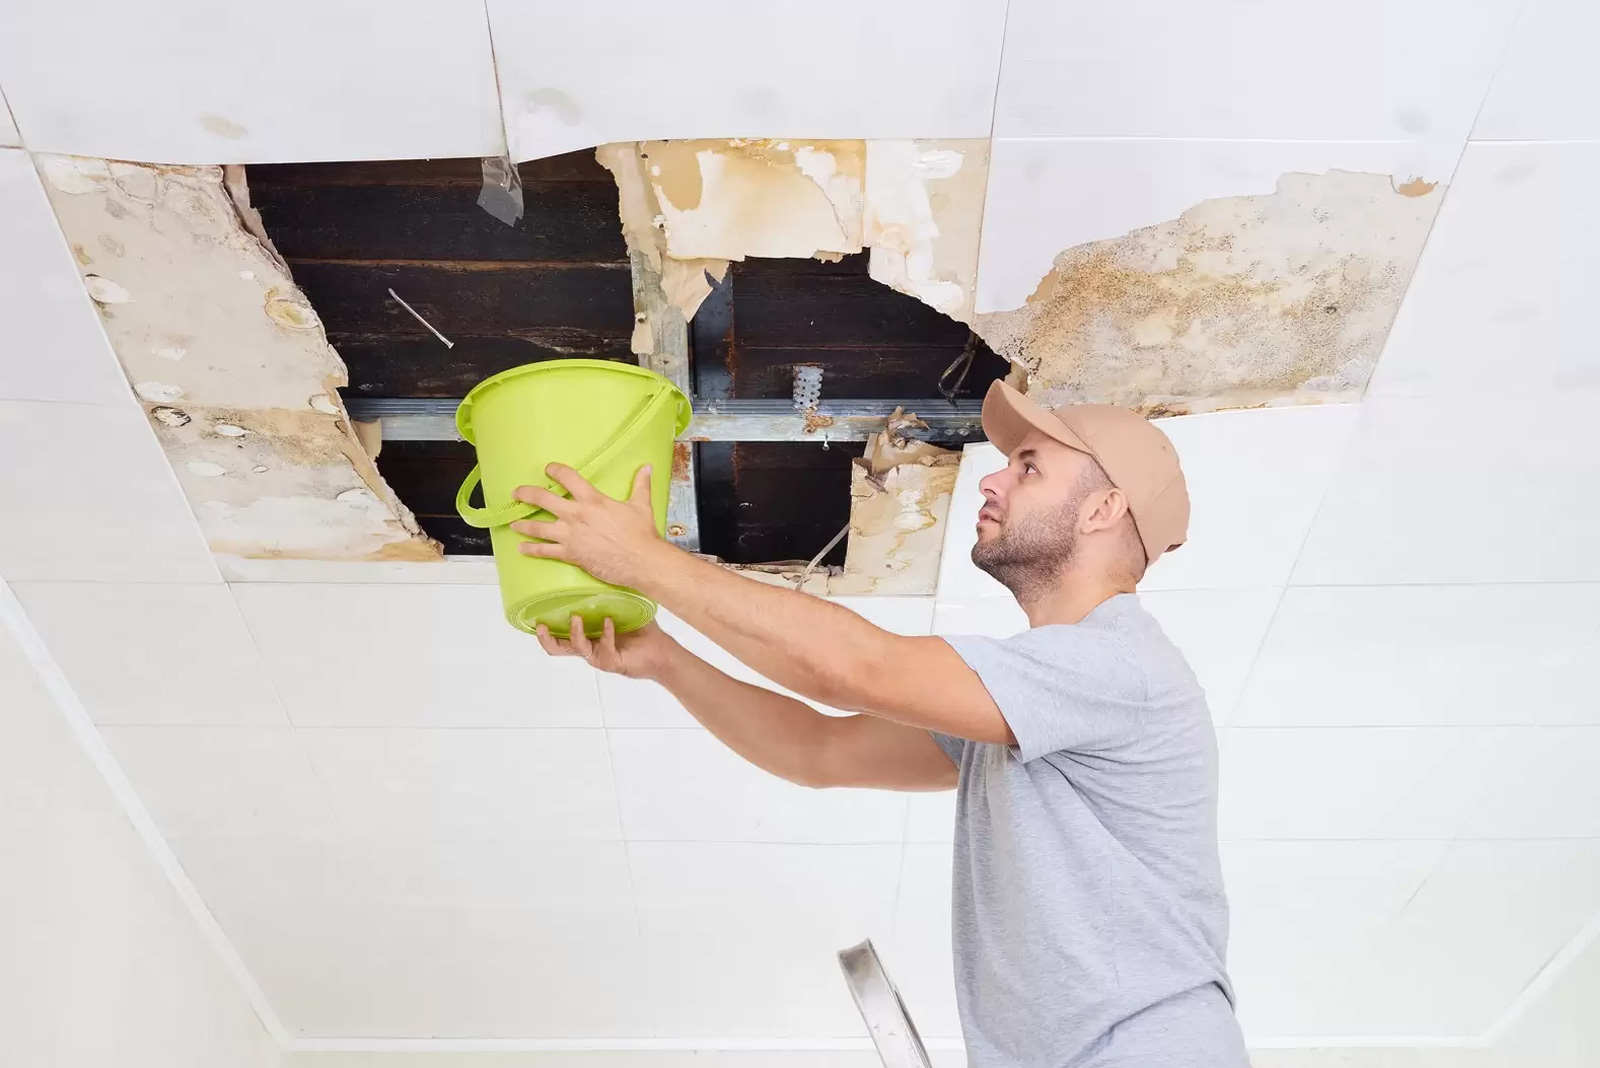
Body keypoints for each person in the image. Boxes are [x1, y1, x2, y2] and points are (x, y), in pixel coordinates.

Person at [513, 379, 1248, 1068]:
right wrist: (665, 659)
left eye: (1028, 467)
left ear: (1102, 510)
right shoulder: (1031, 700)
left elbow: (856, 669)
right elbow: (820, 748)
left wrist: (646, 563)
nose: (991, 481)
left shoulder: (1116, 665)